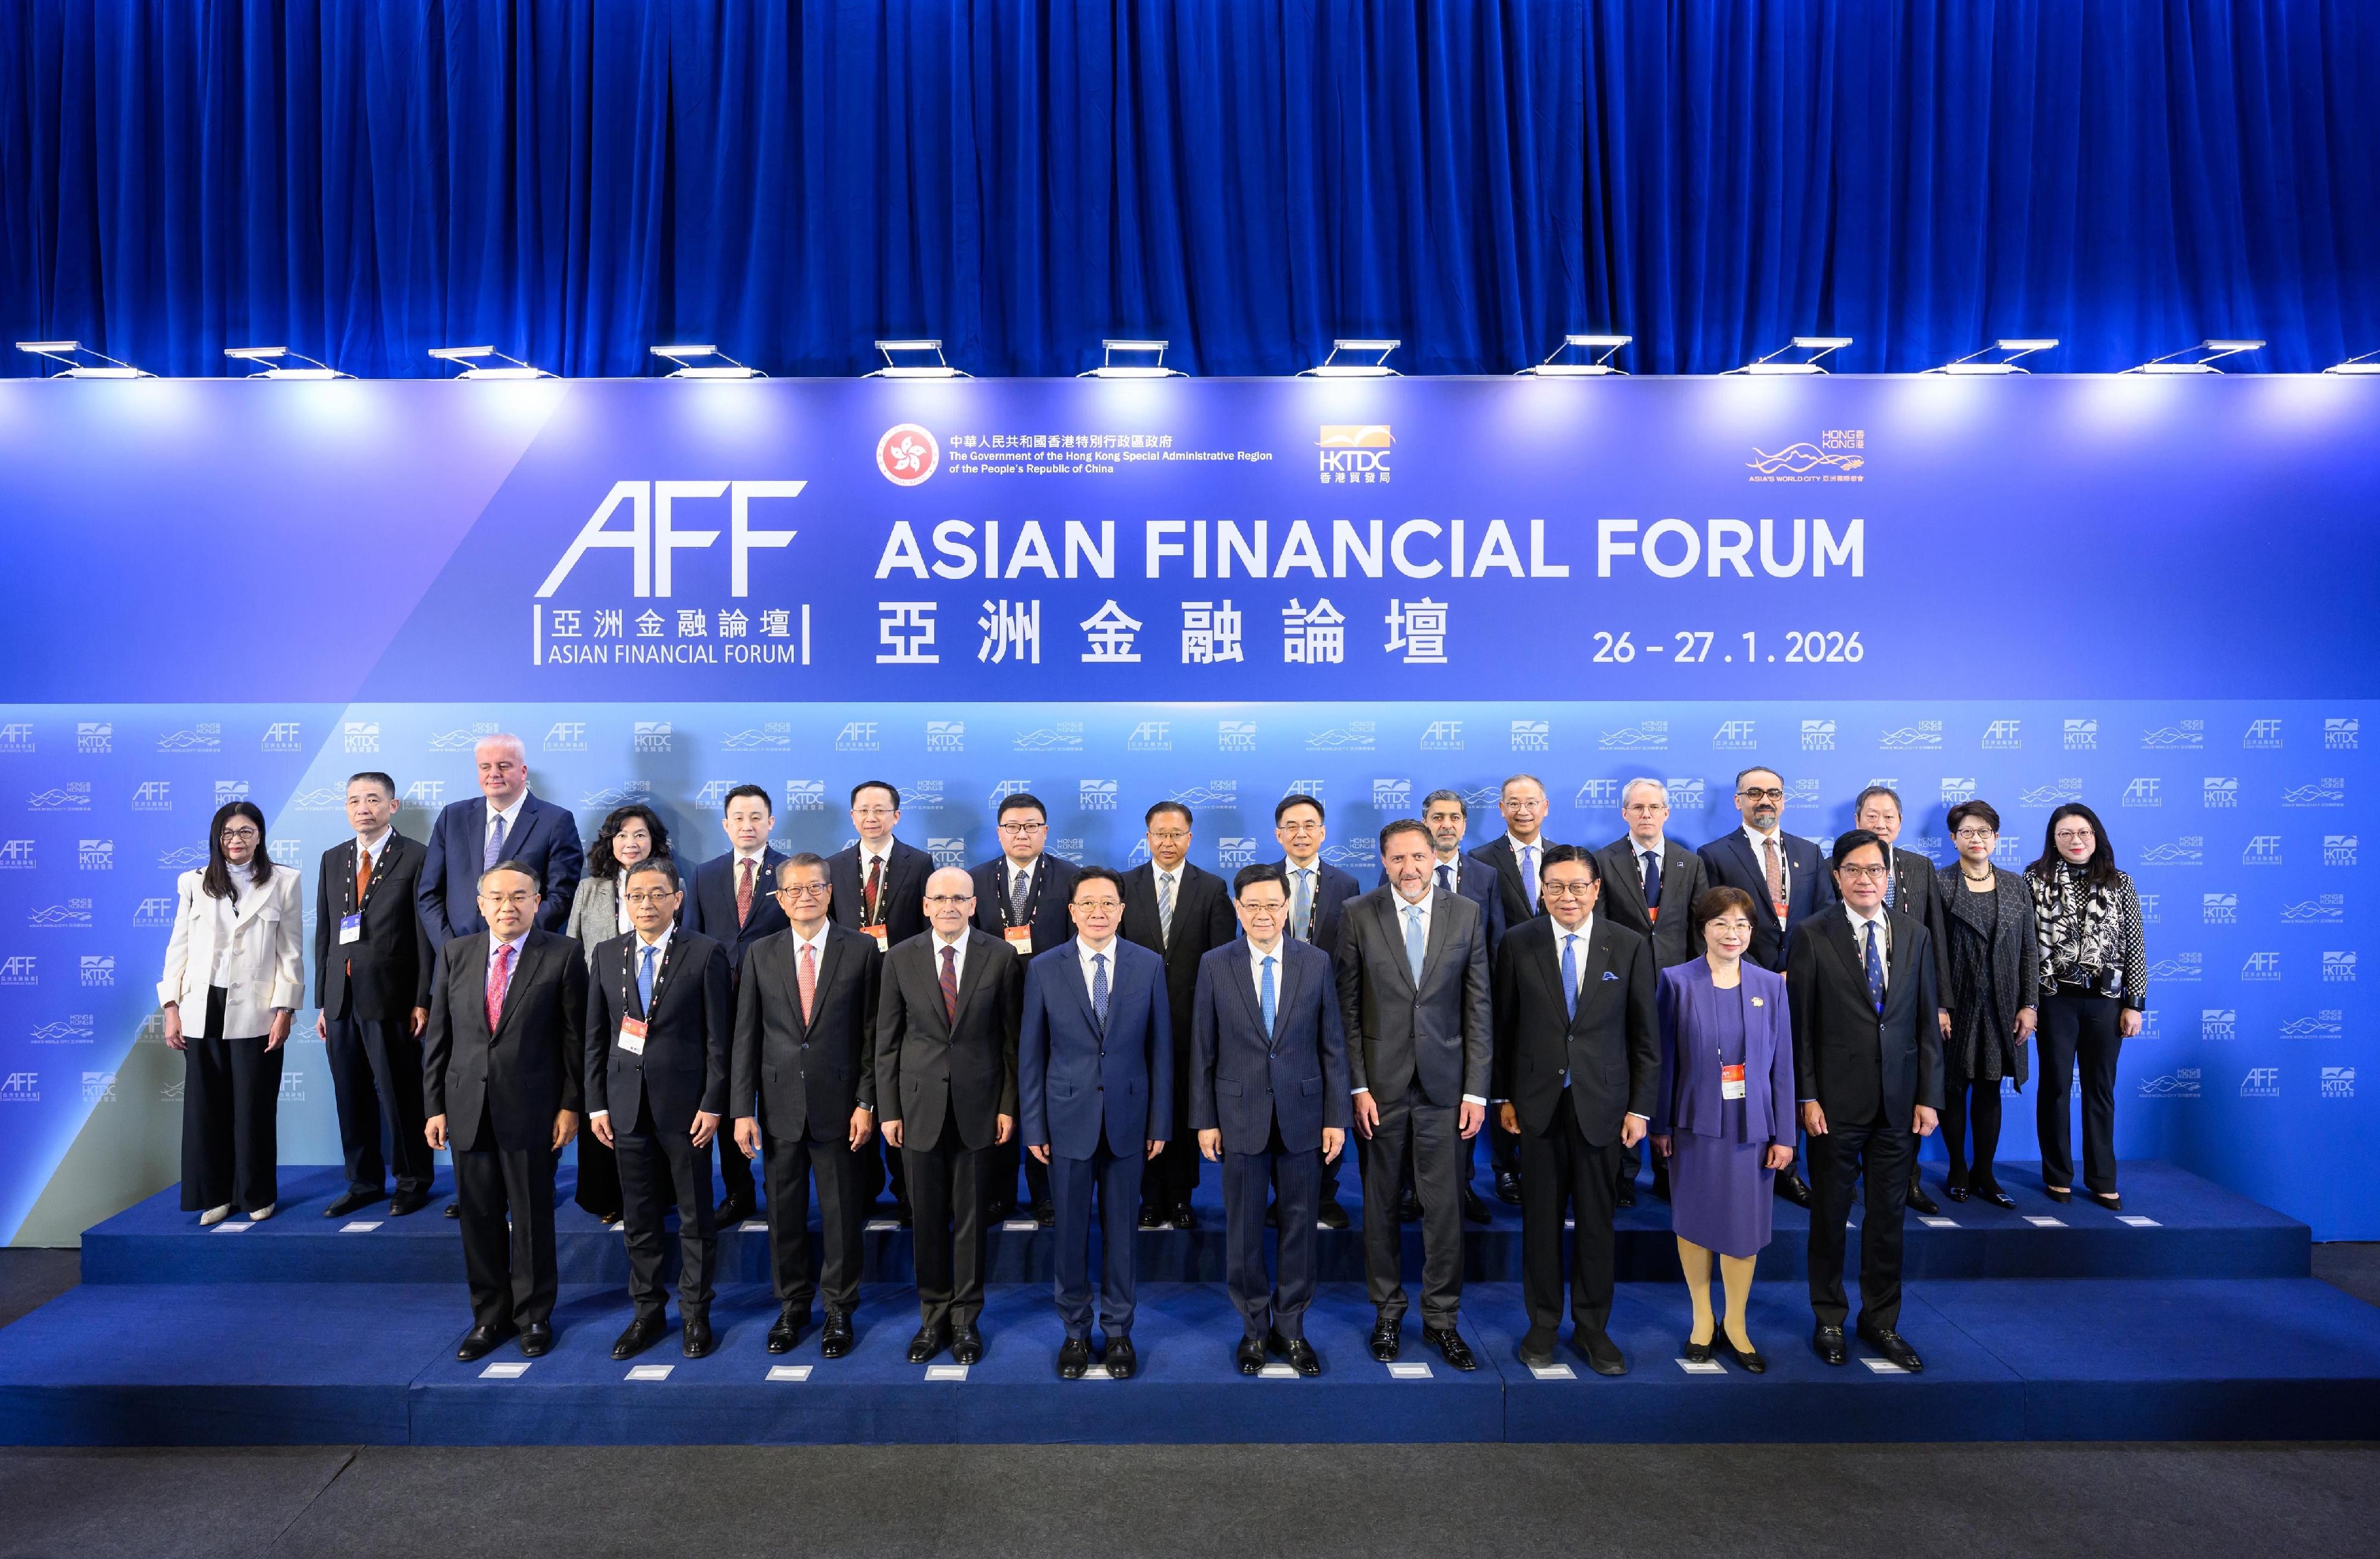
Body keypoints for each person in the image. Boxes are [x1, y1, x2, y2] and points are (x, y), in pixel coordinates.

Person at [1490, 844, 1656, 1375]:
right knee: (1539, 1223)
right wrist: (1506, 1097)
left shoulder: (1627, 945)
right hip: (1536, 1106)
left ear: (1596, 890)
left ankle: (1592, 1328)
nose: (1568, 896)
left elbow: (1645, 1038)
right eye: (1556, 886)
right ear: (1541, 889)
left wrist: (1640, 1109)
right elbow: (1504, 1026)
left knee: (1596, 1224)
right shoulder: (1518, 943)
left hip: (1604, 1106)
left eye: (1578, 886)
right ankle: (1542, 1324)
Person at [1338, 819, 1491, 1370]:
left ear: (1436, 857)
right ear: (1384, 862)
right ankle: (1387, 1310)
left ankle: (1441, 1319)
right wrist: (1357, 1085)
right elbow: (1347, 1011)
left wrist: (1477, 1090)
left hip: (1447, 1090)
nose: (1410, 868)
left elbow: (1479, 1009)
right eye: (1398, 858)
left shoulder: (1467, 913)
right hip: (1379, 1089)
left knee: (1444, 1209)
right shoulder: (1358, 913)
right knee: (1379, 1206)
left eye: (1419, 857)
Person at [1790, 829, 1941, 1373]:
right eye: (1853, 870)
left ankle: (1881, 1321)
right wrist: (1806, 1096)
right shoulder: (1811, 934)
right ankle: (1828, 1315)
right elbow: (1799, 1027)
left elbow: (1926, 1022)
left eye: (1874, 870)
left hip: (1900, 1105)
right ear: (1837, 877)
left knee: (1888, 1220)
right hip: (1833, 1105)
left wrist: (1929, 1097)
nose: (1864, 880)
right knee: (1830, 1217)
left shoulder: (1915, 933)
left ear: (1889, 876)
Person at [424, 860, 587, 1361]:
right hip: (468, 1106)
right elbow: (440, 1038)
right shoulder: (456, 954)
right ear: (480, 904)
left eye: (519, 896)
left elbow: (575, 1041)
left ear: (537, 902)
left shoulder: (563, 954)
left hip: (534, 1110)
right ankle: (489, 1316)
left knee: (534, 1217)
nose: (507, 906)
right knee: (479, 1217)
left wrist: (570, 1105)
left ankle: (534, 1315)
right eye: (496, 898)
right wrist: (434, 1106)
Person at [1192, 865, 1349, 1377]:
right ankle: (1254, 1329)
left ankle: (1292, 1328)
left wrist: (1335, 1116)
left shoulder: (1316, 962)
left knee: (1301, 1224)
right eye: (1252, 906)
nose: (1263, 915)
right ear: (1238, 910)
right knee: (1242, 1229)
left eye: (1273, 905)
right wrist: (1205, 1120)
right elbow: (1203, 1049)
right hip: (1238, 1116)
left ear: (1288, 908)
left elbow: (1332, 1045)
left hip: (1304, 1114)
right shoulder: (1216, 964)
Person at [1020, 867, 1170, 1379]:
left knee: (1123, 1233)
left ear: (1122, 910)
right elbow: (1031, 1055)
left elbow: (1161, 1051)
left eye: (1108, 903)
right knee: (1069, 1236)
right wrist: (1035, 1128)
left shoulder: (1148, 966)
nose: (1098, 912)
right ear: (1072, 911)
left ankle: (1120, 1331)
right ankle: (1076, 1332)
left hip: (1131, 1120)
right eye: (1088, 904)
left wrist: (1160, 1121)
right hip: (1065, 1122)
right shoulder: (1044, 968)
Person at [732, 854, 882, 1358]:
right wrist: (742, 1109)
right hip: (777, 1109)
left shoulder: (861, 950)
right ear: (778, 898)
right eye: (793, 890)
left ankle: (840, 1308)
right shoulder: (760, 953)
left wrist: (867, 1102)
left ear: (830, 891)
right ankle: (793, 1305)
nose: (805, 897)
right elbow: (745, 1036)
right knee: (785, 1214)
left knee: (841, 1216)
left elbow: (873, 1038)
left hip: (842, 1109)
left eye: (814, 887)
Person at [584, 857, 733, 1361]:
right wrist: (596, 1104)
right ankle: (647, 1312)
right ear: (625, 901)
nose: (646, 904)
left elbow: (720, 1039)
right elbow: (595, 1037)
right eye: (636, 895)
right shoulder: (606, 954)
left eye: (656, 894)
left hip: (687, 1109)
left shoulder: (705, 953)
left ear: (677, 898)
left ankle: (695, 1313)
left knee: (694, 1217)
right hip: (625, 1108)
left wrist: (715, 1103)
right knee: (640, 1217)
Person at [877, 866, 1023, 1366]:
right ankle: (932, 1317)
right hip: (917, 1109)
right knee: (926, 1220)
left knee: (972, 1221)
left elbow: (1011, 1043)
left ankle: (965, 1320)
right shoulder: (899, 958)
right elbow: (887, 1043)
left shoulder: (1001, 956)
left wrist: (1007, 1104)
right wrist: (889, 1110)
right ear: (924, 905)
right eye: (939, 898)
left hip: (980, 1107)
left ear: (974, 904)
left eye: (959, 898)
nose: (949, 907)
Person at [1651, 888, 1795, 1373]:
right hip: (1694, 1124)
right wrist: (1661, 1123)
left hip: (1752, 1128)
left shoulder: (1771, 986)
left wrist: (1786, 1135)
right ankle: (1701, 1319)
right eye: (1721, 925)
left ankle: (1736, 1323)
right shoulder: (1676, 982)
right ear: (1703, 929)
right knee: (1693, 1223)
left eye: (1742, 926)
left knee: (1744, 1228)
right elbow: (1664, 1060)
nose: (1732, 935)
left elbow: (1783, 1067)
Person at [159, 800, 304, 1225]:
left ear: (259, 835)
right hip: (202, 1006)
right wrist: (171, 1007)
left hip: (257, 1009)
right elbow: (178, 947)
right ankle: (215, 1194)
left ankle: (256, 1192)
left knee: (254, 1104)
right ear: (216, 839)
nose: (236, 840)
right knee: (207, 1107)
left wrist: (286, 1010)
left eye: (245, 831)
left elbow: (291, 951)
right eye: (227, 833)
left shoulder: (285, 881)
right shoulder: (194, 882)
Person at [1698, 765, 1833, 1207]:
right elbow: (1715, 925)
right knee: (1750, 1073)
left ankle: (1789, 1168)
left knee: (1794, 1072)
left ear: (1784, 799)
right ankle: (1743, 1161)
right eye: (1754, 793)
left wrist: (1797, 971)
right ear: (1738, 801)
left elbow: (1823, 921)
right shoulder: (1714, 854)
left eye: (1773, 793)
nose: (1765, 801)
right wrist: (1759, 974)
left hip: (1801, 986)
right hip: (1741, 984)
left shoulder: (1809, 854)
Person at [1377, 788, 1502, 1228]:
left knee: (1457, 1120)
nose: (1446, 823)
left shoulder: (1486, 876)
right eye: (1437, 816)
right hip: (1403, 1031)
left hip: (1459, 1021)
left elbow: (1494, 945)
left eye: (1454, 817)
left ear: (1464, 825)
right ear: (1425, 823)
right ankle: (1412, 1189)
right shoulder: (1397, 874)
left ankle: (1461, 1186)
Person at [314, 773, 436, 1219]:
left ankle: (413, 1181)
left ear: (393, 805)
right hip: (341, 999)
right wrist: (324, 1001)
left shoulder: (418, 856)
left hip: (393, 998)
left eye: (372, 799)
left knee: (402, 1095)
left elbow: (425, 936)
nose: (362, 808)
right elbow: (326, 934)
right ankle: (364, 1182)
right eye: (353, 801)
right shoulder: (333, 859)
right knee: (351, 1095)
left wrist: (423, 998)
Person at [1119, 801, 1236, 1230]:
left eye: (1177, 834)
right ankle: (1149, 1198)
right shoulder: (1125, 886)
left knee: (1187, 1110)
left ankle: (1182, 1198)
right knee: (1142, 1110)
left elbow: (1221, 960)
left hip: (1192, 1022)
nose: (1168, 842)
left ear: (1190, 837)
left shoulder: (1212, 888)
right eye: (1159, 834)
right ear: (1147, 837)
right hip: (1134, 1021)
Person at [2027, 803, 2146, 1211]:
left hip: (2106, 1001)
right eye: (2065, 834)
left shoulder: (2121, 882)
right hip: (2054, 998)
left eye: (2083, 833)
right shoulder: (2034, 878)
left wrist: (2135, 1003)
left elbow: (2135, 945)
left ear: (2096, 836)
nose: (2075, 841)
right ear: (2053, 839)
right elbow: (2027, 947)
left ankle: (2102, 1179)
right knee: (2055, 1087)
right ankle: (2057, 1176)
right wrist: (2029, 1002)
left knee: (2100, 1089)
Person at [1595, 777, 1708, 1206]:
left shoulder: (1688, 862)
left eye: (1653, 807)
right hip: (1623, 991)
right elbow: (1600, 930)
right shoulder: (1603, 862)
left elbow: (1698, 931)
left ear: (1666, 813)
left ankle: (1668, 1171)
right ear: (1624, 813)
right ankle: (1623, 1175)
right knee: (1627, 1082)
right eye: (1637, 807)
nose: (1646, 814)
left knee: (1675, 1081)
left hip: (1679, 991)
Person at [681, 783, 790, 1223]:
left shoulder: (790, 872)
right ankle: (738, 1193)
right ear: (725, 825)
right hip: (722, 1005)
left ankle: (781, 1191)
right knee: (729, 1097)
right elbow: (693, 937)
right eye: (738, 818)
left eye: (756, 817)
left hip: (781, 1003)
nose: (747, 826)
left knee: (781, 1101)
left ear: (771, 823)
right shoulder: (705, 874)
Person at [970, 791, 1079, 1225]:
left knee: (1046, 1101)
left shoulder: (1072, 879)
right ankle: (997, 1193)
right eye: (1013, 826)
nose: (1022, 833)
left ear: (1046, 831)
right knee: (997, 1097)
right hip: (990, 1008)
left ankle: (1045, 1194)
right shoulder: (975, 881)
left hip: (1054, 1009)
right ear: (999, 832)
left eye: (1031, 826)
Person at [827, 780, 932, 1223]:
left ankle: (907, 1191)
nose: (871, 817)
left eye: (880, 809)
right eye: (863, 810)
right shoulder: (832, 867)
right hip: (849, 990)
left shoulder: (920, 862)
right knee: (859, 1086)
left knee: (898, 1087)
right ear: (852, 817)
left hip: (906, 990)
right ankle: (863, 1189)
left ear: (897, 816)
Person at [562, 802, 672, 1223]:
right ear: (610, 842)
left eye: (640, 835)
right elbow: (573, 946)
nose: (631, 842)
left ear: (654, 842)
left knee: (653, 1101)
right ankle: (606, 1195)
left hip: (656, 1008)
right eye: (622, 835)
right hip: (602, 1010)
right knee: (606, 1101)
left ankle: (655, 1195)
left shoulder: (673, 883)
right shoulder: (591, 889)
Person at [1854, 785, 1955, 1216]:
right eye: (1872, 816)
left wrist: (1942, 1003)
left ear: (1899, 822)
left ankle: (1908, 1181)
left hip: (1909, 1000)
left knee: (1907, 1094)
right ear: (1858, 820)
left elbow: (1936, 937)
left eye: (1889, 817)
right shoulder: (1834, 867)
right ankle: (1852, 1181)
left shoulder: (1918, 866)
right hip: (1856, 999)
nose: (1880, 824)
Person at [1936, 802, 2038, 1209]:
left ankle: (1985, 1171)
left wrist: (2029, 1004)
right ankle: (1958, 1168)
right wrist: (1939, 1004)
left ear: (1996, 838)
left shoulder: (2016, 885)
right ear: (1953, 839)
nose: (1975, 839)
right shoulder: (1939, 883)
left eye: (1984, 831)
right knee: (1953, 1085)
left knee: (1990, 1086)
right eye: (1967, 832)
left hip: (2003, 1004)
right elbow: (1931, 950)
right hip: (1956, 1003)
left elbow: (2029, 950)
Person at [1270, 792, 1359, 1227]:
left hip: (1327, 1011)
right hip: (1270, 1013)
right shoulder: (1261, 879)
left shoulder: (1346, 886)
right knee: (1274, 1102)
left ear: (1323, 832)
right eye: (1291, 826)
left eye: (1309, 826)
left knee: (1326, 1103)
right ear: (1278, 834)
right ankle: (1279, 1196)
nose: (1301, 834)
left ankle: (1324, 1195)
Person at [1470, 773, 1555, 1203]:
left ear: (1545, 807)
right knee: (1504, 1070)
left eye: (1531, 802)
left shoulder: (1568, 857)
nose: (1523, 811)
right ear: (1501, 809)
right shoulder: (1479, 860)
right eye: (1513, 803)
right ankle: (1505, 1167)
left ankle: (1546, 1163)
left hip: (1560, 983)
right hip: (1502, 980)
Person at [418, 732, 584, 943]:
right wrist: (450, 949)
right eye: (485, 767)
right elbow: (429, 894)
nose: (494, 774)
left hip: (525, 954)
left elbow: (561, 896)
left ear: (523, 771)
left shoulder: (555, 821)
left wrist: (510, 941)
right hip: (457, 958)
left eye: (504, 766)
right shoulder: (453, 817)